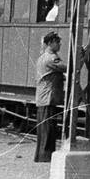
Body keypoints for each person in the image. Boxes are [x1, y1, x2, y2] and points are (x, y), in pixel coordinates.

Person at [33, 31, 66, 163]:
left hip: (43, 98)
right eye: (57, 42)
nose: (60, 44)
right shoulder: (52, 58)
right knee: (48, 129)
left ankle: (42, 156)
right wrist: (80, 57)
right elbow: (67, 67)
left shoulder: (42, 57)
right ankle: (46, 157)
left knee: (44, 130)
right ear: (51, 43)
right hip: (48, 98)